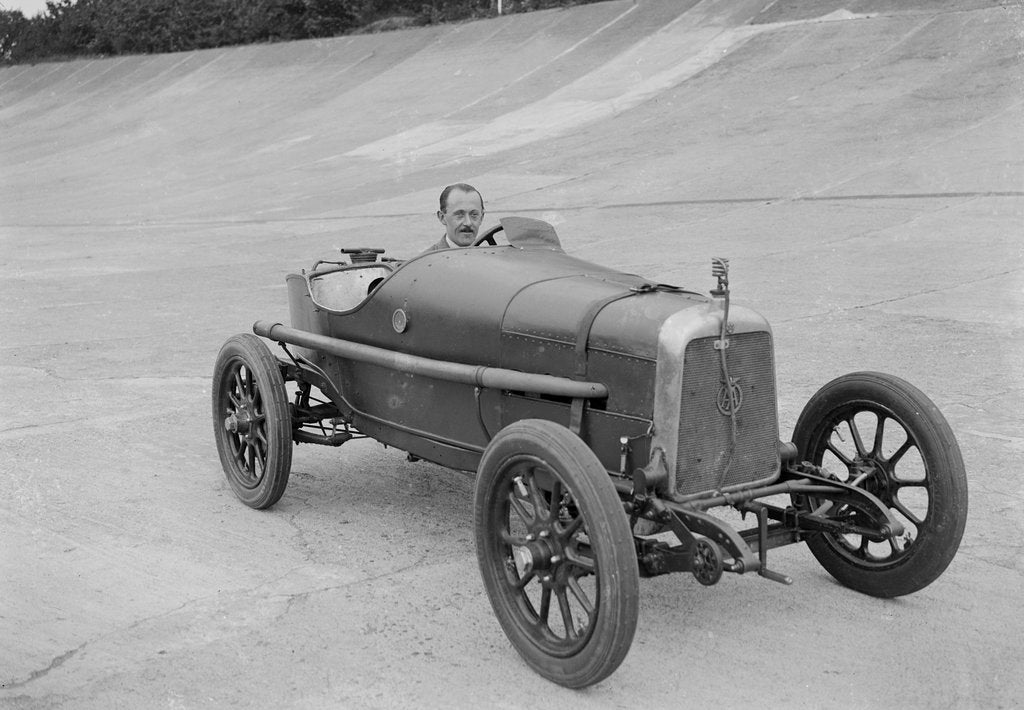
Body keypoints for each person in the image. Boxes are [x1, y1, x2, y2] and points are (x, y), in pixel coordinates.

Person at [424, 183, 485, 252]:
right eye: (459, 215)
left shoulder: (491, 258)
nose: (468, 223)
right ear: (442, 217)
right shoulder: (425, 261)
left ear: (482, 217)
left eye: (474, 215)